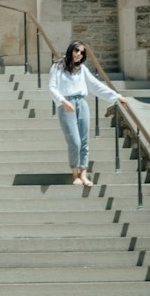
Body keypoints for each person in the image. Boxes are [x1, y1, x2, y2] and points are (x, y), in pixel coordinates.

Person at [48, 39, 121, 188]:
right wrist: (63, 101)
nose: (79, 54)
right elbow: (52, 87)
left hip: (82, 103)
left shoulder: (82, 69)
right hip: (67, 105)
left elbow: (96, 86)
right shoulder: (58, 67)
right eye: (77, 51)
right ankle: (75, 174)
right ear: (71, 50)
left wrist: (117, 96)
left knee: (84, 141)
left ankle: (83, 174)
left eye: (82, 53)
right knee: (75, 141)